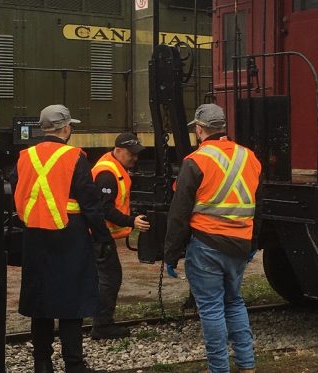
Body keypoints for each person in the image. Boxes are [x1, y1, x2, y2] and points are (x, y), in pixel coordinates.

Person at [10, 104, 111, 373]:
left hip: (34, 235)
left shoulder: (25, 156)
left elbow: (15, 189)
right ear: (65, 128)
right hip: (70, 236)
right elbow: (90, 203)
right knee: (71, 303)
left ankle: (42, 363)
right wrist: (103, 238)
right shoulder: (74, 157)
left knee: (40, 302)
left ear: (43, 129)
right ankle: (74, 365)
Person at [164, 103, 261, 373]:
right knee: (234, 301)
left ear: (199, 130)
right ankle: (247, 364)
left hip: (206, 245)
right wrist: (252, 242)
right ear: (222, 128)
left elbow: (179, 213)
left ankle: (219, 369)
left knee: (211, 308)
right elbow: (259, 205)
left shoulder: (196, 160)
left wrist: (171, 254)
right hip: (239, 244)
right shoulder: (249, 157)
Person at [90, 132, 151, 339]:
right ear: (118, 150)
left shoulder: (114, 168)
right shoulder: (107, 173)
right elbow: (105, 210)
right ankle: (102, 326)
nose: (134, 158)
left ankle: (101, 323)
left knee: (104, 279)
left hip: (99, 236)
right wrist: (131, 221)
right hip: (98, 236)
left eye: (136, 154)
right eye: (131, 153)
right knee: (109, 279)